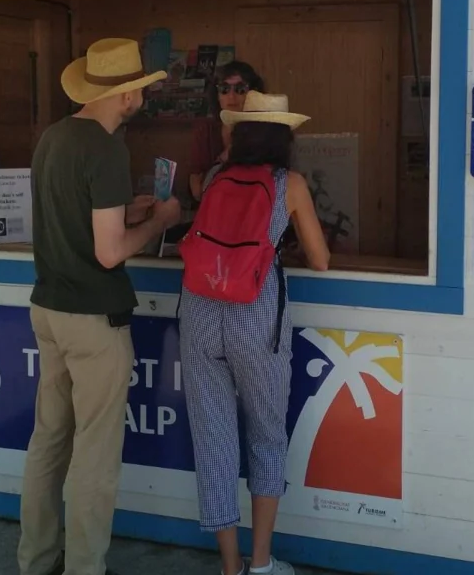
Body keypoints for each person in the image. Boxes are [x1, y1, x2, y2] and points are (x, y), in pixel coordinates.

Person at [19, 37, 182, 575]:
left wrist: (128, 211)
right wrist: (159, 221)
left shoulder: (54, 137)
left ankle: (36, 560)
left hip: (49, 309)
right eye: (140, 91)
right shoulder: (107, 147)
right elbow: (109, 253)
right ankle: (86, 568)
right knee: (94, 454)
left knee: (48, 442)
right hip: (95, 319)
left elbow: (80, 222)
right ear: (129, 96)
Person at [178, 92, 330, 575]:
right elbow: (322, 259)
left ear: (238, 133)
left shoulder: (216, 178)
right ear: (285, 136)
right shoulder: (291, 184)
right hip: (255, 318)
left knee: (214, 441)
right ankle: (261, 564)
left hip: (200, 313)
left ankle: (230, 566)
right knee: (266, 437)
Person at [189, 60, 265, 202]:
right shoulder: (206, 131)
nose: (231, 96)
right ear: (216, 95)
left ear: (253, 93)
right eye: (224, 89)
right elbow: (197, 190)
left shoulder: (263, 131)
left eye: (240, 89)